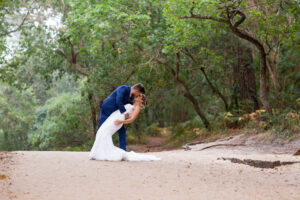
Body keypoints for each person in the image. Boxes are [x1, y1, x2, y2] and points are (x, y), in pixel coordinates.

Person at [89, 94, 160, 161]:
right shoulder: (132, 105)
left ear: (141, 100)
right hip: (113, 117)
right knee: (101, 131)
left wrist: (120, 121)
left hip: (118, 121)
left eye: (139, 96)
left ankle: (104, 154)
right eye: (137, 95)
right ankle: (98, 153)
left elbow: (131, 119)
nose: (137, 96)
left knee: (105, 132)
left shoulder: (137, 108)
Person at [97, 83, 145, 151]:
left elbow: (130, 108)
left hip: (116, 114)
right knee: (101, 128)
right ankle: (98, 147)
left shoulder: (132, 97)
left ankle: (123, 150)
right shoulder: (123, 88)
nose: (138, 95)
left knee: (122, 131)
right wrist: (125, 113)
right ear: (137, 91)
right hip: (107, 109)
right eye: (139, 94)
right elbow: (118, 101)